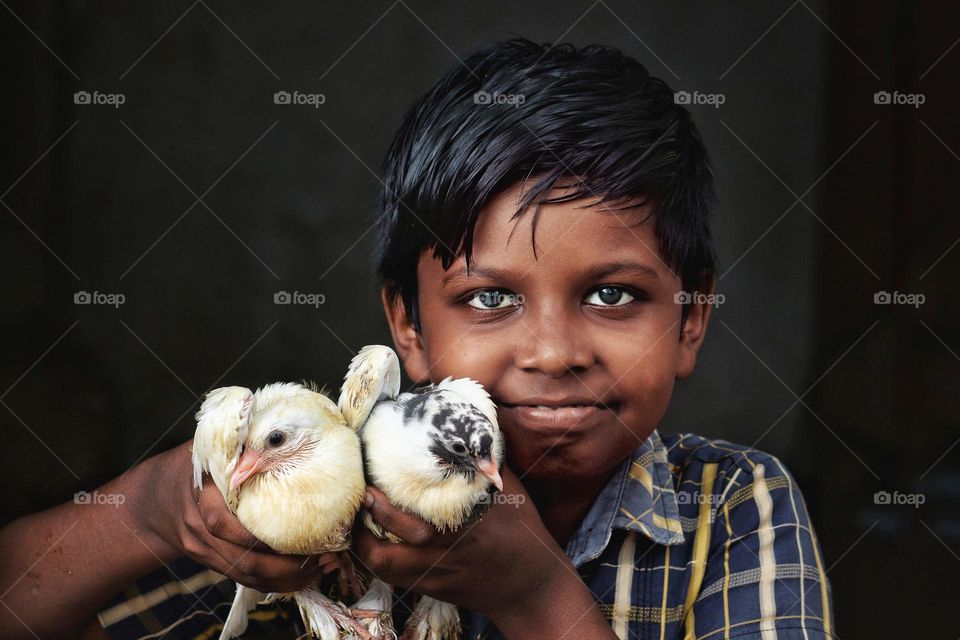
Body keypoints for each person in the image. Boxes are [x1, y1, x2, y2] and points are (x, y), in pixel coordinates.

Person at [0, 37, 835, 640]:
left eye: (612, 295)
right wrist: (148, 514)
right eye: (489, 298)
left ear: (689, 319)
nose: (553, 352)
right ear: (408, 327)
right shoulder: (331, 499)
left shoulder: (733, 506)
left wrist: (535, 595)